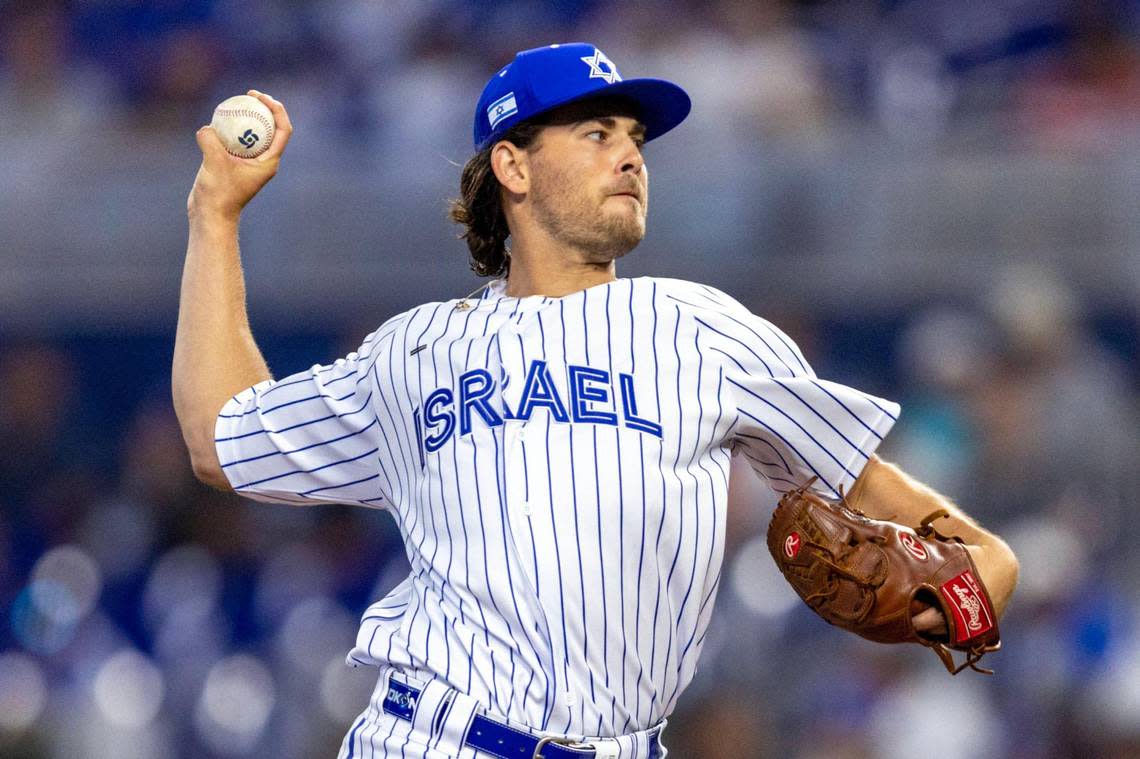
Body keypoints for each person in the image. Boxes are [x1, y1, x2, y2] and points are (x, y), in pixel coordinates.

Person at [173, 43, 1019, 759]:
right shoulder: (414, 349)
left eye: (635, 137)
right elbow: (221, 436)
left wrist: (982, 570)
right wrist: (215, 215)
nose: (631, 155)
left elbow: (885, 498)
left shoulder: (705, 329)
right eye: (596, 132)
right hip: (434, 735)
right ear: (512, 164)